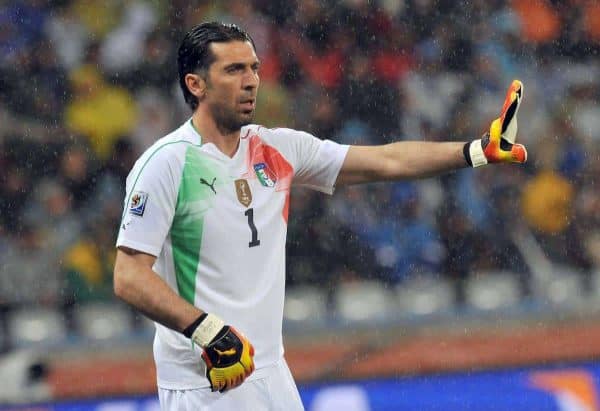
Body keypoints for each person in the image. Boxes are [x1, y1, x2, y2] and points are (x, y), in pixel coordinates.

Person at [113, 22, 527, 410]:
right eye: (234, 69)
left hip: (272, 371)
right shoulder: (167, 164)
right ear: (195, 84)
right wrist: (208, 331)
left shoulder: (277, 148)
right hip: (207, 382)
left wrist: (474, 151)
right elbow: (129, 275)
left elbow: (385, 160)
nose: (251, 80)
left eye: (254, 68)